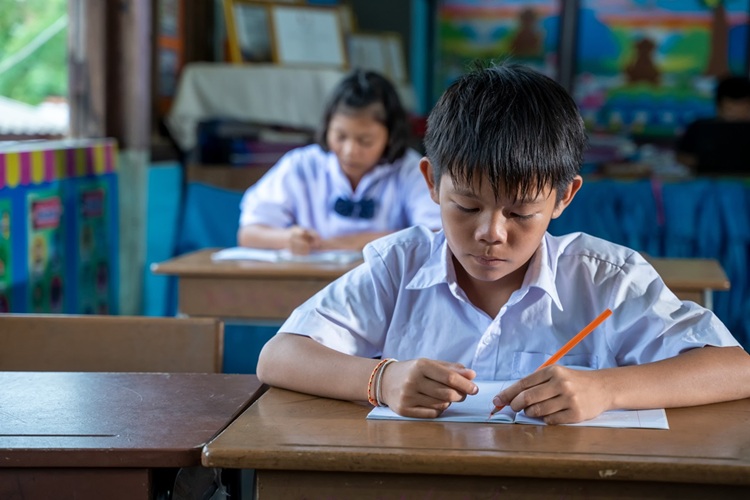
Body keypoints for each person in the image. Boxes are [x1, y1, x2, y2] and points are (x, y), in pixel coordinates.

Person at [256, 63, 750, 425]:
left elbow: (735, 368)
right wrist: (381, 379)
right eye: (466, 206)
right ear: (431, 183)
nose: (491, 232)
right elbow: (278, 356)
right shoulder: (398, 266)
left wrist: (607, 388)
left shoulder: (605, 278)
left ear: (564, 197)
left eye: (520, 212)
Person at [237, 70, 441, 254]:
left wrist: (346, 242)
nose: (349, 151)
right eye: (340, 136)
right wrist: (287, 238)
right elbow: (248, 233)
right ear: (327, 127)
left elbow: (436, 233)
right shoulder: (302, 166)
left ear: (391, 136)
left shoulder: (411, 170)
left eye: (365, 141)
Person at [675, 75, 750, 176]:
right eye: (731, 109)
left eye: (745, 110)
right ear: (719, 107)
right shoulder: (699, 127)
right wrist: (707, 161)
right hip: (708, 185)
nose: (738, 115)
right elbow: (682, 156)